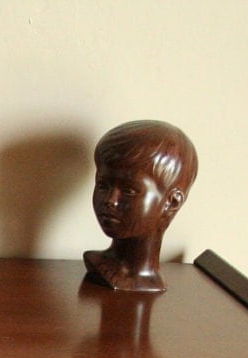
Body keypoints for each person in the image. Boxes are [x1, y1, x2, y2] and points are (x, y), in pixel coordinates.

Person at [82, 121, 198, 293]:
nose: (110, 201)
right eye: (103, 185)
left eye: (129, 190)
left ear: (172, 202)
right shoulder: (96, 262)